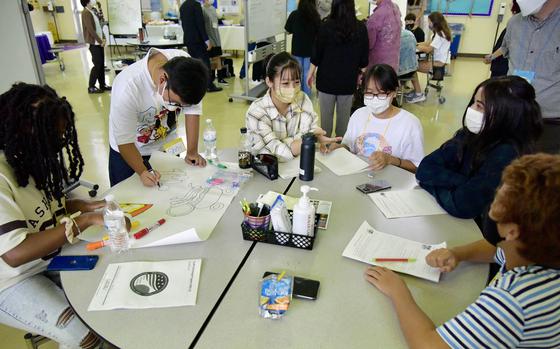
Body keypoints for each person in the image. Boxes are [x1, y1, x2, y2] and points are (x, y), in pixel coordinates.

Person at [365, 153, 560, 349]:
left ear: (511, 232)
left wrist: (398, 292)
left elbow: (428, 345)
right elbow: (495, 250)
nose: (491, 207)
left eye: (499, 201)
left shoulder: (512, 302)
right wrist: (458, 254)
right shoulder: (535, 251)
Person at [0, 83, 125, 349]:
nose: (55, 148)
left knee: (116, 298)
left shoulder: (28, 156)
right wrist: (84, 221)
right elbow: (15, 253)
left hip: (48, 259)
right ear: (21, 130)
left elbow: (43, 208)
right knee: (87, 337)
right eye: (49, 139)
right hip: (11, 280)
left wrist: (85, 206)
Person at [416, 76, 542, 244]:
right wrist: (463, 182)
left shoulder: (507, 153)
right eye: (474, 102)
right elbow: (425, 169)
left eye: (480, 106)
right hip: (451, 224)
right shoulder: (469, 134)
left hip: (482, 239)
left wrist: (434, 182)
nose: (472, 109)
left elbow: (461, 205)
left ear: (505, 114)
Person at [108, 48, 209, 187]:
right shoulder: (127, 87)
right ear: (163, 80)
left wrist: (192, 151)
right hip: (131, 150)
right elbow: (124, 142)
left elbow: (193, 111)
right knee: (130, 199)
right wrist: (143, 171)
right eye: (175, 103)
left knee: (173, 190)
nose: (175, 108)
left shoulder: (185, 66)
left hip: (168, 144)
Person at [246, 52, 341, 162]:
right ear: (269, 82)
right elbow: (267, 154)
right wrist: (308, 140)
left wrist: (311, 139)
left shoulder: (303, 99)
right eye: (285, 83)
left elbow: (310, 131)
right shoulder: (256, 112)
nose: (292, 88)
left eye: (296, 82)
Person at [328, 65, 424, 173]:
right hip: (356, 177)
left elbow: (417, 167)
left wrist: (390, 160)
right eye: (369, 93)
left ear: (394, 92)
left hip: (391, 183)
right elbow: (349, 147)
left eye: (381, 94)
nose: (374, 98)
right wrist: (340, 148)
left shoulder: (409, 124)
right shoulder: (359, 115)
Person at [495, 0, 560, 153]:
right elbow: (506, 51)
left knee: (541, 174)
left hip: (550, 123)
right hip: (512, 115)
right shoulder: (514, 24)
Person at [308, 0, 369, 138]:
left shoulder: (325, 26)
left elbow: (316, 55)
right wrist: (362, 77)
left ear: (334, 6)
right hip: (348, 82)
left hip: (326, 82)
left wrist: (310, 74)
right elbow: (364, 61)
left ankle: (326, 146)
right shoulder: (360, 28)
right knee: (344, 121)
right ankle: (341, 149)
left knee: (325, 121)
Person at [406, 12, 451, 104]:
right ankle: (416, 91)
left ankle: (418, 94)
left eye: (429, 22)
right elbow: (427, 43)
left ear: (435, 22)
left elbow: (428, 49)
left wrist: (415, 46)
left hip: (438, 64)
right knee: (413, 64)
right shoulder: (439, 33)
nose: (428, 24)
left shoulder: (440, 35)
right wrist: (415, 43)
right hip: (438, 61)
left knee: (411, 67)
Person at [180, 0, 222, 92]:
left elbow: (183, 24)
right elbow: (200, 23)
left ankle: (196, 85)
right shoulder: (196, 5)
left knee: (194, 64)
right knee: (204, 63)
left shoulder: (183, 6)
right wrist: (206, 40)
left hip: (188, 39)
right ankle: (209, 85)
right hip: (198, 40)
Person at [285, 0, 321, 97]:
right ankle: (306, 97)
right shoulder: (316, 16)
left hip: (297, 49)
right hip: (311, 51)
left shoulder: (294, 14)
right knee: (308, 74)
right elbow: (320, 33)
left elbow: (288, 30)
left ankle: (296, 95)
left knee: (297, 73)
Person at [483, 1, 520, 77]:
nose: (510, 4)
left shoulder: (516, 25)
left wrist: (492, 57)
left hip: (503, 67)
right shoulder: (514, 24)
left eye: (512, 2)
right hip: (500, 65)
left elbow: (505, 47)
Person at [81, 0, 110, 94]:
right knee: (97, 65)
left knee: (101, 64)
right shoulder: (86, 13)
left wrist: (104, 38)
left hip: (99, 42)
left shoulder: (93, 11)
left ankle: (102, 85)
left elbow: (99, 26)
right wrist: (100, 41)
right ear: (87, 2)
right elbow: (90, 29)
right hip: (94, 43)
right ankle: (91, 87)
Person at [366, 0, 402, 71]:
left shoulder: (377, 15)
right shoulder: (395, 10)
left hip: (378, 65)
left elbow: (369, 43)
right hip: (393, 63)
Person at [201, 0, 227, 85]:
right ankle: (212, 77)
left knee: (217, 57)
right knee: (212, 58)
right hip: (209, 37)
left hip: (216, 36)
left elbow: (216, 20)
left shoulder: (213, 8)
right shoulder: (202, 9)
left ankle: (220, 78)